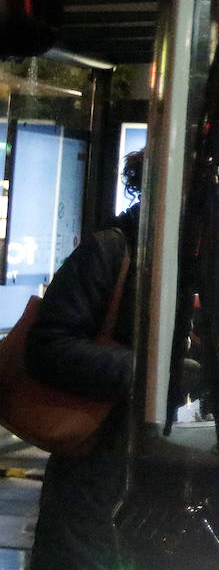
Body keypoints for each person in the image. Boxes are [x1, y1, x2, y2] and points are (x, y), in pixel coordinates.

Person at [26, 151, 143, 570]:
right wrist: (142, 374)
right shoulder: (111, 249)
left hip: (136, 470)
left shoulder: (205, 255)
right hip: (94, 465)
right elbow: (48, 346)